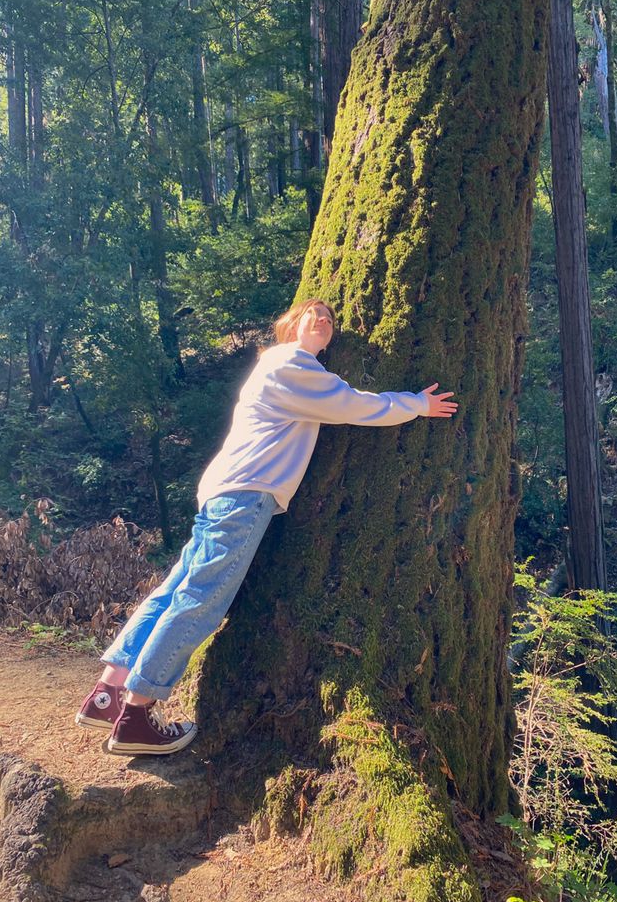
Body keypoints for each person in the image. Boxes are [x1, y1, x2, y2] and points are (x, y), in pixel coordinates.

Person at [75, 299, 458, 756]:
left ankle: (106, 697)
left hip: (225, 490)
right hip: (244, 494)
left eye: (331, 318)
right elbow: (354, 405)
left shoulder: (277, 367)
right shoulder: (291, 363)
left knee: (174, 592)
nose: (323, 321)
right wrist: (417, 404)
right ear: (288, 326)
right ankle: (136, 716)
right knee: (201, 599)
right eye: (312, 314)